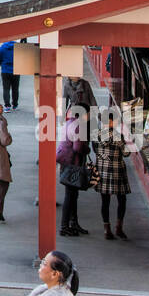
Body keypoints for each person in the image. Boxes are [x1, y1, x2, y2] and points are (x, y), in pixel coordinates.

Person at [59, 92, 93, 238]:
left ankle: (73, 223)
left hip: (66, 162)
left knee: (73, 194)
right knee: (70, 195)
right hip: (73, 163)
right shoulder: (79, 126)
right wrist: (88, 149)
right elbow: (78, 147)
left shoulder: (70, 122)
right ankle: (65, 226)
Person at [93, 110, 130, 240]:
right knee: (122, 200)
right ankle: (119, 228)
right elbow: (126, 153)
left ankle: (106, 229)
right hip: (116, 172)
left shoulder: (96, 135)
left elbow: (96, 151)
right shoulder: (117, 136)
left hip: (102, 172)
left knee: (105, 202)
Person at [0, 38, 20, 111]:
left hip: (5, 70)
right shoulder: (18, 46)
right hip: (16, 70)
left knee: (6, 88)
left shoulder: (3, 47)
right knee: (15, 88)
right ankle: (15, 104)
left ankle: (7, 105)